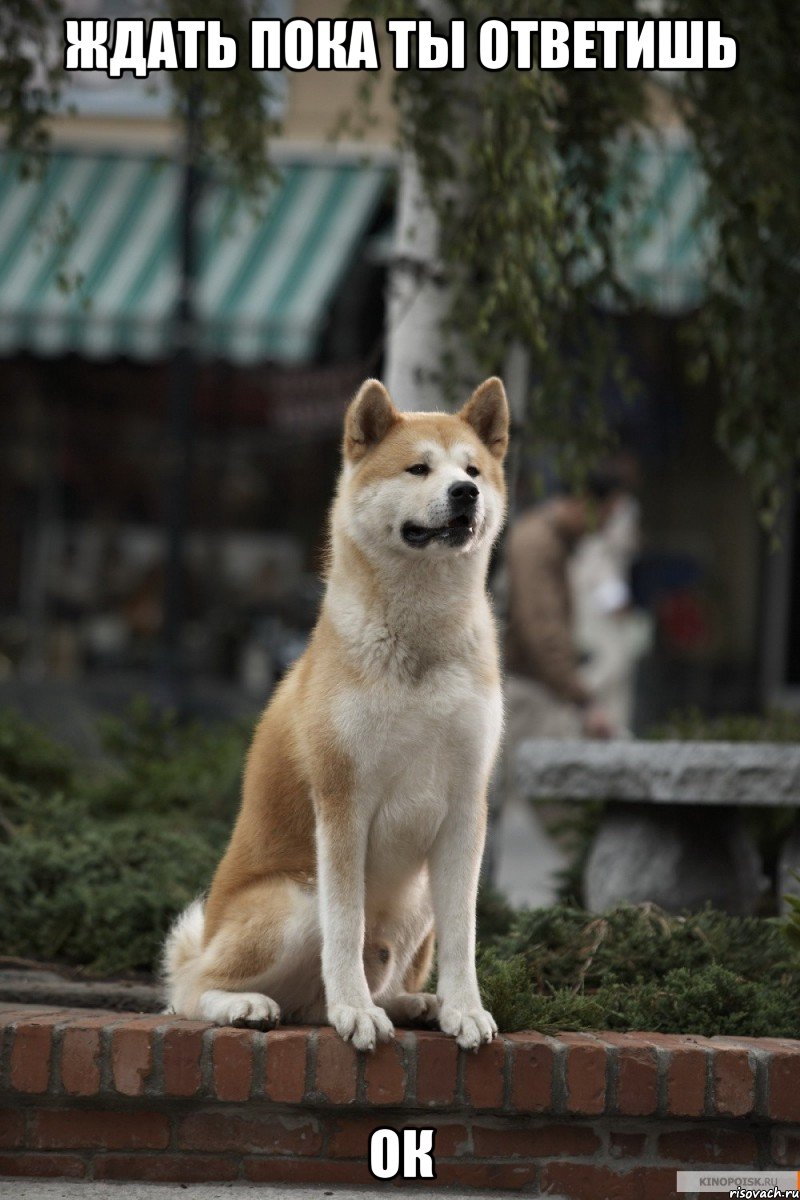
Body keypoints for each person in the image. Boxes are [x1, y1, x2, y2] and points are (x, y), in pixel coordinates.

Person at [504, 470, 627, 743]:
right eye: (606, 515)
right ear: (586, 502)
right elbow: (542, 630)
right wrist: (583, 701)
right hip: (527, 691)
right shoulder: (538, 544)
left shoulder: (551, 541)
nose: (605, 527)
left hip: (537, 687)